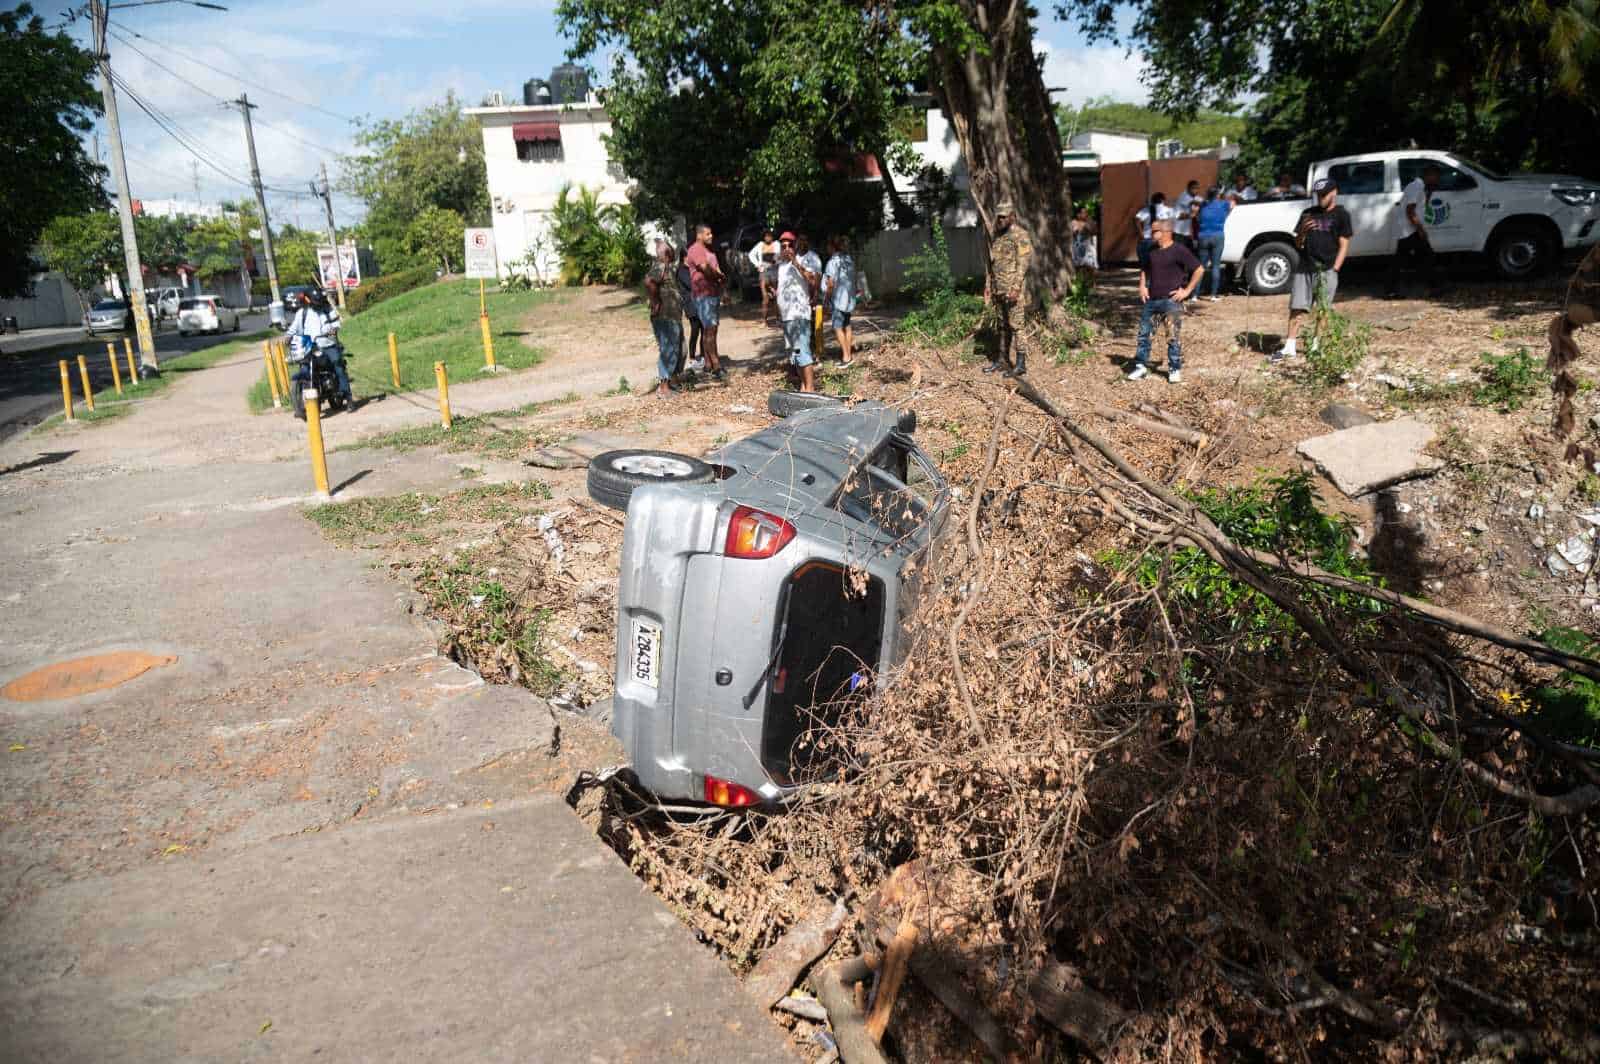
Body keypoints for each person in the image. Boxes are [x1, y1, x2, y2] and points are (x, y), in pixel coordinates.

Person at [1276, 177, 1352, 363]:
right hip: (1305, 266)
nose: (1321, 198)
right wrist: (1302, 231)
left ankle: (1317, 346)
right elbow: (1298, 243)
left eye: (1324, 194)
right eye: (1319, 195)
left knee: (1323, 309)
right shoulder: (1308, 213)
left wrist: (1335, 268)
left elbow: (1344, 243)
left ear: (1334, 193)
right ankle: (1290, 346)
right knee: (1297, 307)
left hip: (1326, 268)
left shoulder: (1341, 215)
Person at [1127, 219, 1202, 384]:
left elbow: (1199, 269)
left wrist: (1187, 290)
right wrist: (1142, 286)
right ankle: (1140, 366)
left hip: (1171, 302)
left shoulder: (1179, 250)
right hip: (1151, 300)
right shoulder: (1151, 250)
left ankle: (1174, 368)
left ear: (1166, 232)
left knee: (1172, 336)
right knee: (1144, 335)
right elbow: (1145, 269)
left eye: (1154, 231)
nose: (1151, 234)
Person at [287, 289, 352, 415]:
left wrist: (333, 329)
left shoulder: (327, 310)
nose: (318, 304)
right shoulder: (303, 313)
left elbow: (337, 322)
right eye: (315, 301)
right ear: (309, 300)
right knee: (304, 367)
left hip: (328, 344)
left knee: (337, 364)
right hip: (309, 345)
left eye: (319, 301)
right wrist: (288, 336)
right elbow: (293, 328)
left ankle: (348, 398)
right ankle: (300, 405)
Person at [985, 201, 1032, 377]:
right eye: (999, 216)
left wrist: (1016, 288)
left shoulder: (1021, 235)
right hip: (999, 289)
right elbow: (993, 264)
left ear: (1013, 216)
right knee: (1002, 326)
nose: (1001, 219)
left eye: (1004, 216)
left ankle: (1020, 365)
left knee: (1017, 326)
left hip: (1014, 291)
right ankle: (1002, 361)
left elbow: (1023, 264)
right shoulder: (998, 236)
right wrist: (989, 286)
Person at [1386, 163, 1440, 298]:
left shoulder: (1419, 187)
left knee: (1403, 260)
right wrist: (1420, 229)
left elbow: (1421, 206)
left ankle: (1392, 290)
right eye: (1436, 177)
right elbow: (1410, 210)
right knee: (1427, 257)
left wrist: (1430, 192)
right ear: (1429, 175)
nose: (1437, 180)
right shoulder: (1417, 186)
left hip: (1408, 229)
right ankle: (1433, 288)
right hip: (1409, 230)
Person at [776, 231, 819, 391]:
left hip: (799, 315)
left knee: (803, 353)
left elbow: (813, 280)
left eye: (789, 245)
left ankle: (810, 390)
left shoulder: (803, 260)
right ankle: (804, 387)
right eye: (783, 246)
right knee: (795, 355)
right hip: (787, 317)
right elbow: (780, 290)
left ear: (795, 246)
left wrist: (795, 262)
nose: (786, 249)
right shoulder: (781, 266)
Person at [684, 224, 727, 380]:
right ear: (699, 235)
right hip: (703, 295)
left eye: (711, 233)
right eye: (708, 234)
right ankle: (716, 366)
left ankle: (708, 364)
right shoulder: (695, 250)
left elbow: (715, 269)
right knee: (709, 329)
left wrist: (723, 284)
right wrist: (718, 276)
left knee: (712, 330)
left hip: (713, 294)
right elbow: (706, 270)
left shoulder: (709, 251)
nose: (711, 236)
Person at [645, 241, 683, 398]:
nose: (674, 255)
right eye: (672, 252)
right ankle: (663, 386)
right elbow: (649, 282)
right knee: (668, 349)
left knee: (677, 349)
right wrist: (656, 301)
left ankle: (671, 382)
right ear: (667, 254)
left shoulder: (666, 268)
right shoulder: (660, 266)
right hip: (665, 316)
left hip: (672, 316)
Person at [822, 235, 858, 366]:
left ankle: (846, 358)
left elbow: (830, 284)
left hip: (837, 300)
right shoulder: (848, 260)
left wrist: (826, 299)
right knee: (847, 326)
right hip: (848, 299)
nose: (826, 249)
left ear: (832, 247)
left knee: (837, 328)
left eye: (827, 246)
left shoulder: (832, 262)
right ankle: (848, 354)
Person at [1195, 186, 1230, 300]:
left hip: (1203, 236)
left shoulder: (1203, 206)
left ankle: (1195, 295)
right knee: (1215, 266)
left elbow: (1198, 219)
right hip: (1217, 236)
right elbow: (1230, 206)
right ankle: (1213, 295)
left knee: (1201, 266)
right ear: (1217, 195)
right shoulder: (1223, 204)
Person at [675, 247, 702, 374]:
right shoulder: (681, 270)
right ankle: (692, 357)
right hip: (690, 304)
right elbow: (692, 284)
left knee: (704, 329)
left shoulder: (692, 268)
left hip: (699, 302)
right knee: (695, 329)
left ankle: (703, 355)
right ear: (684, 257)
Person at [1132, 192, 1172, 272]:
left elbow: (1136, 219)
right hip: (1158, 241)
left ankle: (1145, 283)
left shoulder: (1146, 210)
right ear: (1163, 200)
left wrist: (1141, 235)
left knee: (1145, 267)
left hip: (1146, 239)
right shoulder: (1167, 210)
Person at [748, 228, 780, 327]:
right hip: (764, 272)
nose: (768, 237)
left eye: (770, 235)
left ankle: (778, 319)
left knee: (776, 296)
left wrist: (776, 261)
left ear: (772, 236)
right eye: (766, 235)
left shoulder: (777, 244)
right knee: (765, 298)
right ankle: (764, 321)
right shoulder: (760, 245)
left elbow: (780, 257)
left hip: (774, 271)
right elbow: (751, 255)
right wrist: (757, 264)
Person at [1174, 180, 1202, 251]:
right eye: (1194, 188)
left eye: (1198, 188)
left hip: (1186, 232)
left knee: (1189, 253)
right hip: (1179, 232)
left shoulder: (1195, 197)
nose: (1196, 190)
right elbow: (1193, 203)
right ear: (1188, 188)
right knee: (1179, 252)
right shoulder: (1184, 196)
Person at [1070, 206, 1098, 274]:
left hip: (1088, 250)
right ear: (1078, 214)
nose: (1086, 214)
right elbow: (1074, 232)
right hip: (1078, 249)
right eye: (1083, 212)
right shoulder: (1074, 222)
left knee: (1091, 269)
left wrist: (1088, 226)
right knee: (1079, 269)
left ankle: (1091, 284)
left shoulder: (1090, 222)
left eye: (1086, 212)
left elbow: (1094, 232)